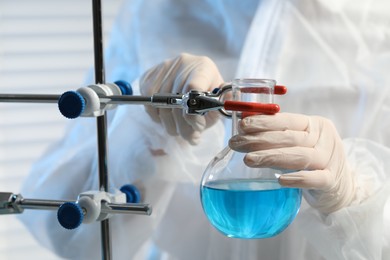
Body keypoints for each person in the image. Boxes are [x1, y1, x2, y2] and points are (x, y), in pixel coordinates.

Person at [19, 0, 390, 259]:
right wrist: (147, 125)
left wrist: (353, 199)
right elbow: (67, 234)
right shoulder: (156, 9)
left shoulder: (379, 22)